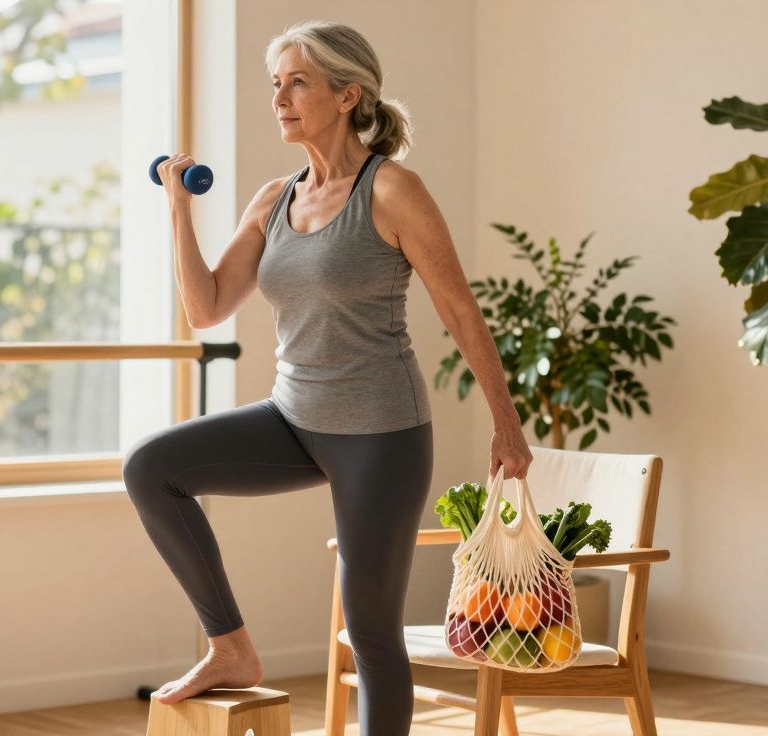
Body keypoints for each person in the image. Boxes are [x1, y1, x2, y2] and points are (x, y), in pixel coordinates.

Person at [121, 19, 532, 735]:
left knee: (370, 630)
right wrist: (178, 210)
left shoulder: (392, 190)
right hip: (292, 419)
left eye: (298, 83)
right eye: (275, 84)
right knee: (151, 468)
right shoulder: (273, 199)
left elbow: (460, 309)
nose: (279, 98)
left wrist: (506, 425)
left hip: (381, 432)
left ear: (348, 95)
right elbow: (206, 308)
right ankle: (230, 648)